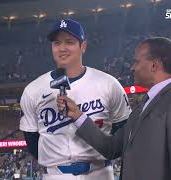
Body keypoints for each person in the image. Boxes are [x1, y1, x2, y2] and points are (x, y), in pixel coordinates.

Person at [57, 37, 171, 180]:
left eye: (137, 62)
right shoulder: (140, 108)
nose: (132, 67)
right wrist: (78, 115)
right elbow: (111, 148)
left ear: (154, 65)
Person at [19, 19, 131, 180]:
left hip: (100, 173)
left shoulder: (109, 84)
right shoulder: (33, 89)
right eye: (57, 43)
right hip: (56, 175)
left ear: (83, 46)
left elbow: (122, 132)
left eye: (69, 42)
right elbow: (32, 141)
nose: (62, 48)